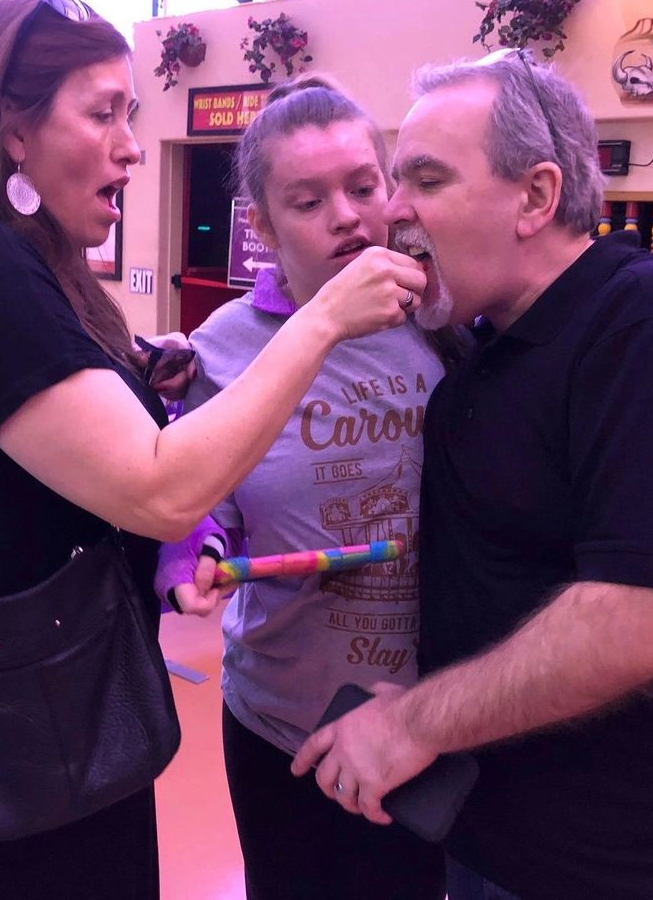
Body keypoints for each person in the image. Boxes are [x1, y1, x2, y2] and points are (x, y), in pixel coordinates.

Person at [0, 0, 424, 900]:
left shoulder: (37, 272)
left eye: (132, 112)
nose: (130, 143)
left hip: (53, 696)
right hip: (8, 717)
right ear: (12, 133)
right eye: (102, 113)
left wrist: (137, 376)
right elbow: (160, 491)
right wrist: (320, 322)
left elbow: (72, 441)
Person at [291, 51, 653, 900]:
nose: (390, 212)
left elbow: (652, 614)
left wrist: (413, 723)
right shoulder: (484, 352)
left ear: (535, 196)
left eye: (423, 178)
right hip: (503, 847)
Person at [155, 77, 461, 900]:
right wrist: (197, 555)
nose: (348, 217)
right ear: (262, 225)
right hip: (280, 720)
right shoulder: (221, 349)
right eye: (308, 200)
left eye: (363, 187)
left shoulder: (447, 324)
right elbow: (196, 501)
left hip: (428, 716)